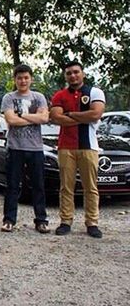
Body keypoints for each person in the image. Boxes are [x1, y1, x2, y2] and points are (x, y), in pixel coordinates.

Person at [49, 60, 105, 238]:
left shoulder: (94, 92)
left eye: (75, 72)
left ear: (83, 73)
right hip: (65, 146)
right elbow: (56, 118)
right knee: (66, 187)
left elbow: (96, 114)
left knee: (91, 186)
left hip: (89, 146)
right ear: (65, 76)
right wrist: (84, 117)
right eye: (69, 73)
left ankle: (92, 222)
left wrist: (71, 115)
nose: (72, 76)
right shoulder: (59, 95)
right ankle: (66, 221)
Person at [0, 64, 50, 234]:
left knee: (38, 186)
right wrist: (33, 118)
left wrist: (21, 115)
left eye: (26, 78)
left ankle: (41, 220)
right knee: (12, 186)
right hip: (15, 148)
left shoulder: (39, 97)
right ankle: (9, 220)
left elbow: (44, 118)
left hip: (36, 148)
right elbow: (11, 121)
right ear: (15, 80)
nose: (23, 81)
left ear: (31, 79)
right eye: (19, 78)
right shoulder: (8, 97)